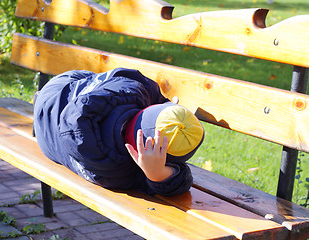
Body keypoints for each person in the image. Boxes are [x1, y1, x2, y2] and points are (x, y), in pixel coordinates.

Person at [33, 68, 204, 196]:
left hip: (55, 93)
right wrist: (157, 174)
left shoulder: (133, 90)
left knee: (97, 81)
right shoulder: (124, 175)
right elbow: (181, 182)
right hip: (48, 137)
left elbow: (126, 77)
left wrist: (165, 107)